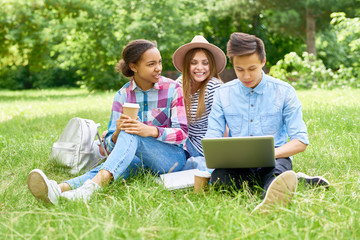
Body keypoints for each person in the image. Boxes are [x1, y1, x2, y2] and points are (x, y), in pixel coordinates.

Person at [27, 39, 188, 204]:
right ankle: (59, 190)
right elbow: (108, 148)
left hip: (170, 159)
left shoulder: (173, 89)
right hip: (138, 161)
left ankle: (90, 188)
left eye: (159, 62)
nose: (158, 68)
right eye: (151, 64)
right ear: (134, 67)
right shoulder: (123, 95)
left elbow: (183, 134)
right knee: (112, 165)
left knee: (131, 131)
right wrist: (117, 132)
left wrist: (150, 131)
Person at [204, 32, 321, 213]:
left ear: (263, 61)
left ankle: (272, 195)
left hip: (275, 159)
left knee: (276, 173)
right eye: (239, 69)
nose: (246, 76)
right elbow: (212, 136)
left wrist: (272, 153)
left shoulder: (284, 92)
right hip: (239, 164)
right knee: (220, 178)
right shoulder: (223, 93)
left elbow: (301, 141)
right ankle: (291, 181)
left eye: (252, 68)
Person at [172, 35, 227, 171]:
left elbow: (225, 125)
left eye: (205, 62)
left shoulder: (213, 87)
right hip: (182, 143)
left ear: (211, 65)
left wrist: (221, 157)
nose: (199, 68)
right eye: (194, 62)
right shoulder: (180, 84)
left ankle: (196, 166)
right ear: (187, 64)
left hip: (203, 149)